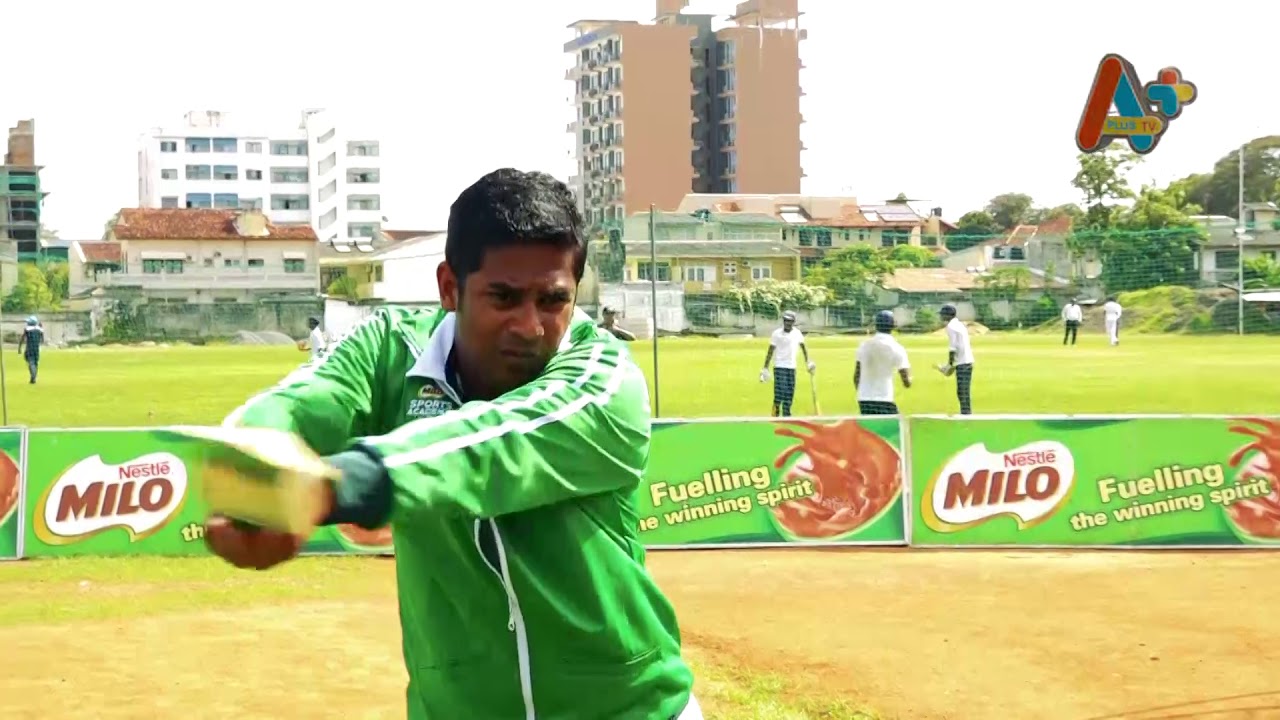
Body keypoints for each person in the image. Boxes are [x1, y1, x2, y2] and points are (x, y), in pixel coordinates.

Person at [205, 169, 700, 719]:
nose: (531, 326)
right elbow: (294, 405)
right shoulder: (389, 349)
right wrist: (255, 472)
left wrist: (335, 487)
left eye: (552, 300)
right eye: (504, 297)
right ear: (449, 287)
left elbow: (491, 449)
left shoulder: (606, 380)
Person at [759, 310, 814, 417]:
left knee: (790, 392)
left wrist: (808, 361)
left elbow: (803, 347)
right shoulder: (776, 334)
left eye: (789, 321)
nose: (787, 323)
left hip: (791, 367)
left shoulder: (797, 333)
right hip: (779, 366)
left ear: (793, 322)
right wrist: (765, 367)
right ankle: (775, 411)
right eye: (785, 321)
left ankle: (787, 413)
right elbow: (770, 350)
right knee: (780, 391)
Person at [855, 310, 911, 415]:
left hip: (864, 399)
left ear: (876, 325)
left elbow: (856, 376)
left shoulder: (864, 345)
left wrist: (862, 392)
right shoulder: (897, 348)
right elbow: (907, 382)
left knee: (870, 430)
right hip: (884, 398)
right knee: (894, 429)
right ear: (893, 326)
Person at [937, 304, 975, 415]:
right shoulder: (959, 325)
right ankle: (966, 413)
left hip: (963, 363)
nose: (941, 317)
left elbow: (953, 347)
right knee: (963, 391)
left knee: (962, 392)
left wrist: (949, 364)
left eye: (942, 314)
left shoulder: (951, 327)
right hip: (967, 361)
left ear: (947, 315)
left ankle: (966, 414)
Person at [16, 316, 42, 384]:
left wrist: (19, 348)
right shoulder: (39, 329)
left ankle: (33, 376)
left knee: (31, 362)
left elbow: (22, 338)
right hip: (36, 348)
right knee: (35, 363)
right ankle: (33, 377)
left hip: (29, 348)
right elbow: (41, 340)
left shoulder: (27, 329)